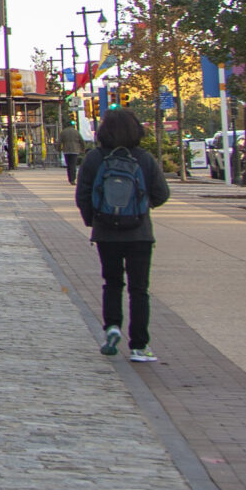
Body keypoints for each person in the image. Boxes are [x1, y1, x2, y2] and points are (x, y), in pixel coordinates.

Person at [75, 106, 169, 362]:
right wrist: (142, 206)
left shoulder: (94, 159)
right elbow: (162, 194)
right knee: (139, 290)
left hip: (106, 233)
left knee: (112, 283)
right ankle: (139, 346)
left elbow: (83, 195)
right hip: (139, 233)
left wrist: (93, 221)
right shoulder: (144, 159)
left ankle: (112, 328)